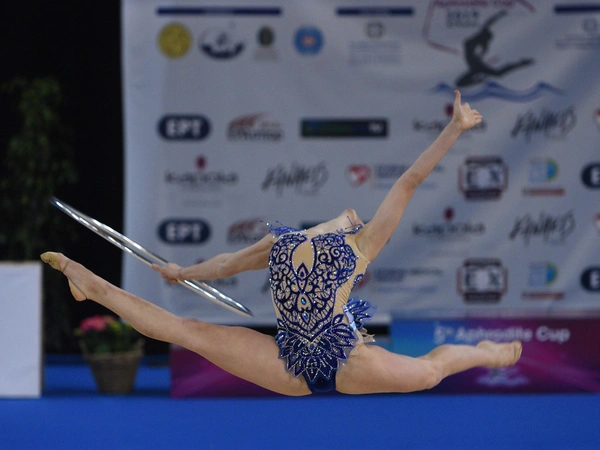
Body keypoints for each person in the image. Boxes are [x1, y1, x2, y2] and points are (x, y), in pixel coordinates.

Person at [42, 90, 522, 396]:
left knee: (429, 374)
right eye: (348, 219)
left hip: (343, 362)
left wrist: (183, 273)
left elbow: (223, 266)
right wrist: (182, 273)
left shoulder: (312, 245)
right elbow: (409, 182)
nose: (351, 219)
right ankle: (91, 284)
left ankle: (486, 352)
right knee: (184, 330)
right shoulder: (322, 245)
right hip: (291, 362)